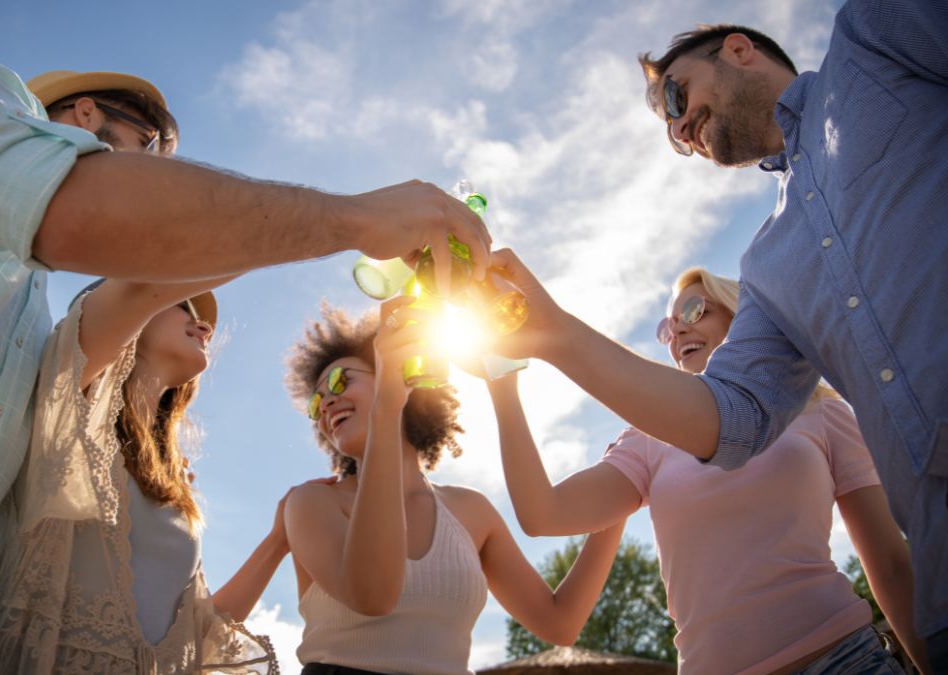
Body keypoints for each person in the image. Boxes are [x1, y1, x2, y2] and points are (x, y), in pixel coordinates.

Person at [0, 53, 490, 674]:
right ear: (82, 116)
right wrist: (356, 219)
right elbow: (108, 231)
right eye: (150, 151)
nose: (155, 179)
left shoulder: (26, 324)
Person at [484, 2, 948, 667]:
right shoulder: (771, 266)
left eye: (675, 94)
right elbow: (730, 419)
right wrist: (549, 333)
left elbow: (886, 565)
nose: (677, 127)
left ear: (737, 49)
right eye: (670, 129)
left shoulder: (870, 41)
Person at [490, 267, 926, 673]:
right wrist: (503, 383)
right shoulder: (647, 436)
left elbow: (889, 564)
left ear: (740, 319)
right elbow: (542, 513)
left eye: (694, 311)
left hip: (844, 660)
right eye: (667, 326)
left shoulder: (820, 409)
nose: (677, 328)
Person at [282, 301, 626, 675]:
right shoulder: (309, 503)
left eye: (340, 381)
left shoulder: (471, 510)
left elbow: (559, 623)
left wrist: (621, 494)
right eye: (316, 401)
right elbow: (374, 595)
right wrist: (385, 409)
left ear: (403, 373)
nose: (327, 401)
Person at [0, 279, 296, 673]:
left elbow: (197, 633)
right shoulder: (69, 412)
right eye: (183, 304)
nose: (204, 327)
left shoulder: (176, 491)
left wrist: (277, 543)